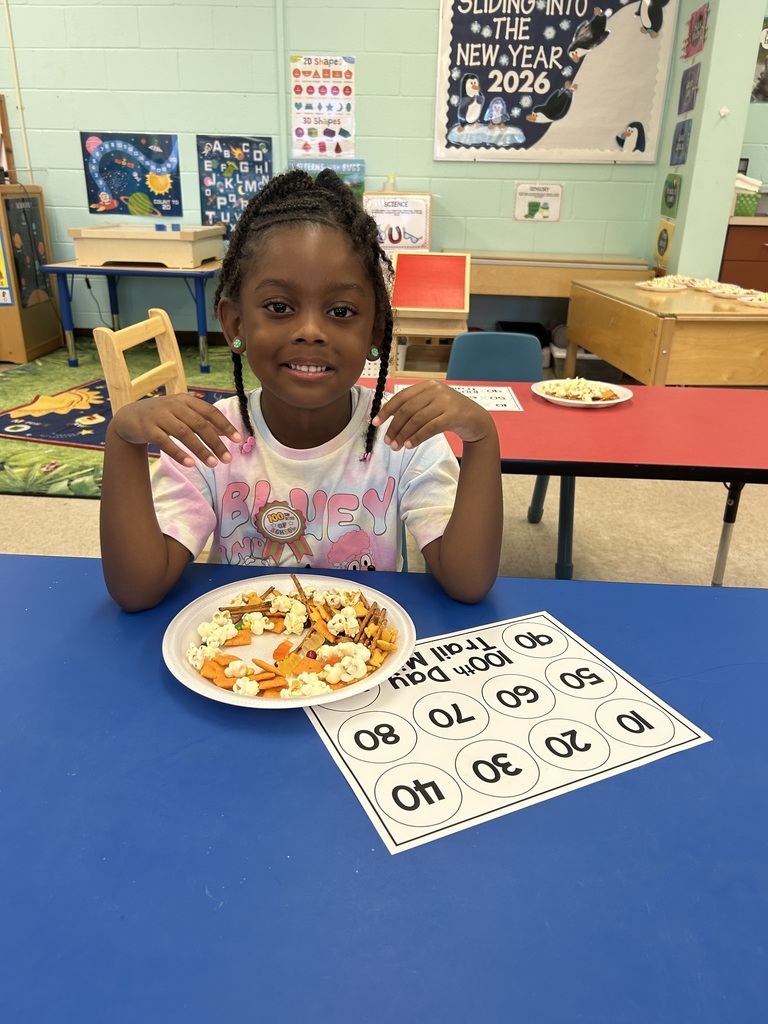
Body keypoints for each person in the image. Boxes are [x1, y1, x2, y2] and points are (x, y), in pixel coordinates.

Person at [100, 169, 503, 611]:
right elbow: (136, 591)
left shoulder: (403, 437)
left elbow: (468, 583)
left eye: (342, 310)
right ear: (235, 324)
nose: (311, 331)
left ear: (376, 331)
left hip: (360, 657)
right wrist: (122, 440)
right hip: (243, 663)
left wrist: (481, 438)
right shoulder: (211, 439)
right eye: (279, 307)